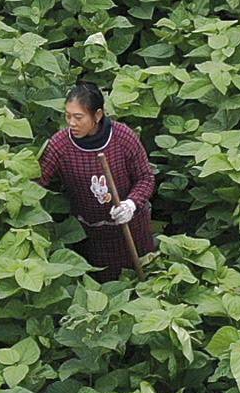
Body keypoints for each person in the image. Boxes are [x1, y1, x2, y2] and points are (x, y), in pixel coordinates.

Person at [39, 79, 160, 277]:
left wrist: (131, 204)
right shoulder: (60, 145)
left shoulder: (123, 137)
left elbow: (145, 178)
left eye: (79, 117)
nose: (72, 123)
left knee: (141, 276)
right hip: (92, 234)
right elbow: (39, 181)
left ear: (97, 115)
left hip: (132, 228)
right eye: (68, 116)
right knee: (103, 279)